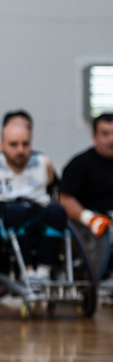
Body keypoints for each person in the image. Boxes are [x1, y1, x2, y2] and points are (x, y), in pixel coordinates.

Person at [0, 110, 67, 280]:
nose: (20, 150)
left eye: (25, 144)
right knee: (17, 211)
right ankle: (27, 271)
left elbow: (54, 190)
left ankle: (43, 271)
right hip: (8, 213)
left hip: (37, 211)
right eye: (14, 144)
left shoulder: (43, 162)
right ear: (2, 145)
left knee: (57, 212)